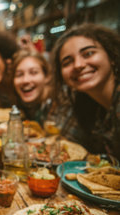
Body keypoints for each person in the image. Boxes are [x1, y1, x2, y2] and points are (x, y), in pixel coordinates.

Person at [51, 23, 120, 159]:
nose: (78, 65)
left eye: (88, 54)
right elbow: (67, 145)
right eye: (67, 62)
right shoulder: (85, 102)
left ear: (111, 56)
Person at [11, 49, 54, 124]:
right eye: (19, 74)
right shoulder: (26, 105)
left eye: (33, 72)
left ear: (47, 76)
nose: (25, 80)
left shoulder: (58, 106)